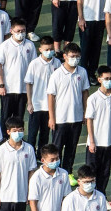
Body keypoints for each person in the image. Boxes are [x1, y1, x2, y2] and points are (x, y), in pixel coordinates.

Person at [47, 43, 90, 175]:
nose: (75, 59)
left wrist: (85, 112)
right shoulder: (57, 74)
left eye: (77, 56)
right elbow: (51, 96)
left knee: (71, 149)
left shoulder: (82, 72)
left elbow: (85, 93)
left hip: (76, 118)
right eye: (72, 56)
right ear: (65, 56)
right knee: (57, 148)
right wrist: (52, 118)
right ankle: (56, 171)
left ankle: (68, 173)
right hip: (60, 119)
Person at [84, 65, 111, 192]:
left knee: (105, 172)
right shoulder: (93, 98)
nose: (109, 81)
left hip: (109, 142)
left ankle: (102, 194)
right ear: (99, 79)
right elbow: (89, 120)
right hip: (95, 143)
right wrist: (92, 141)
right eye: (106, 78)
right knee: (91, 172)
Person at [0, 20, 34, 136]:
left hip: (23, 89)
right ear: (11, 31)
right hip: (8, 89)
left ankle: (18, 138)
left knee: (19, 118)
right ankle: (3, 138)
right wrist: (1, 85)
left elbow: (33, 66)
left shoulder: (30, 45)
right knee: (6, 117)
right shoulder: (4, 46)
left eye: (23, 31)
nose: (21, 33)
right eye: (18, 31)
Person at [25, 37, 60, 157]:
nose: (49, 52)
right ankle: (30, 156)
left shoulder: (57, 63)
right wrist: (30, 102)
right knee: (32, 133)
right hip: (37, 105)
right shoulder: (34, 64)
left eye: (51, 49)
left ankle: (41, 156)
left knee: (45, 134)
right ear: (40, 49)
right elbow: (29, 83)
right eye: (46, 49)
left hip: (50, 107)